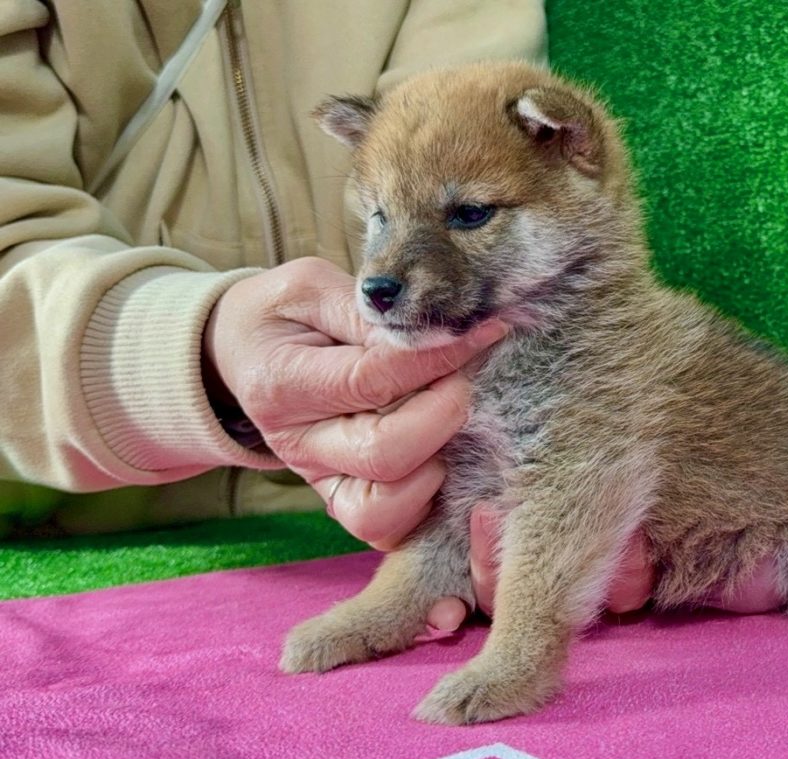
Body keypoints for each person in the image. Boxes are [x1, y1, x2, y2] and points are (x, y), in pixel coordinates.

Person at [0, 0, 654, 632]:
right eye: (377, 218)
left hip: (384, 516)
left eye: (470, 214)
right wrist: (194, 354)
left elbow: (467, 135)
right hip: (84, 534)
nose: (381, 272)